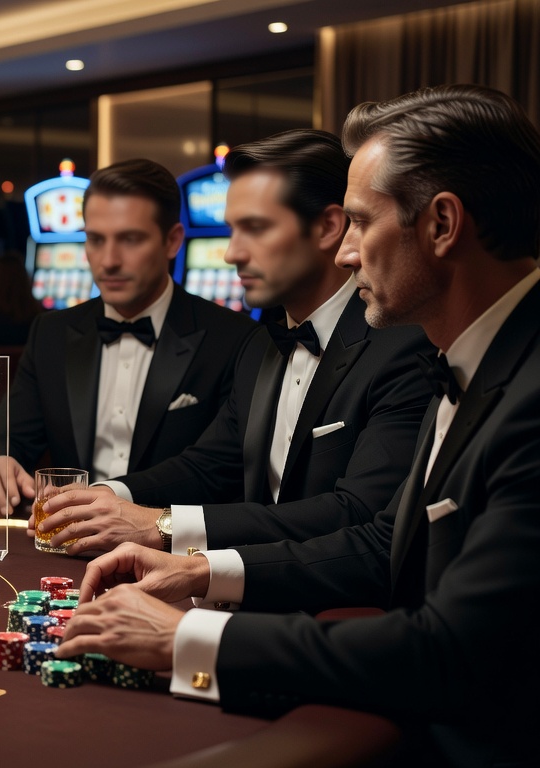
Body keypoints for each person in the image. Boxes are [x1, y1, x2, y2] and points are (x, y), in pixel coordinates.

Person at [62, 84, 540, 766]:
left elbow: (452, 651)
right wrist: (197, 570)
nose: (347, 255)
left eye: (363, 223)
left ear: (440, 224)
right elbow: (381, 546)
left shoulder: (525, 390)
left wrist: (186, 640)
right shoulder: (466, 352)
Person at [39, 130, 433, 556]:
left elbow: (358, 513)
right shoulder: (261, 344)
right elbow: (211, 465)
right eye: (232, 230)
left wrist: (164, 525)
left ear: (327, 227)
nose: (231, 254)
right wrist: (104, 495)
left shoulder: (402, 346)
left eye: (255, 229)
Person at [0, 159, 257, 515]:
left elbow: (220, 473)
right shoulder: (52, 332)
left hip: (175, 550)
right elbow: (7, 435)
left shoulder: (234, 338)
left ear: (173, 241)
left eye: (130, 239)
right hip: (66, 541)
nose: (107, 261)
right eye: (95, 239)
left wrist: (113, 498)